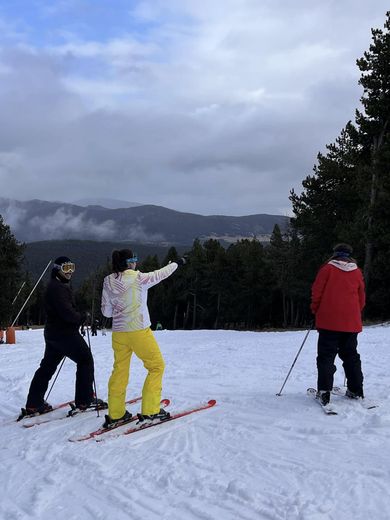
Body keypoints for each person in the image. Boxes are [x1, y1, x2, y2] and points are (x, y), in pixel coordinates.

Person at [101, 249, 186, 428]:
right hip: (138, 330)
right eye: (133, 259)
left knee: (119, 371)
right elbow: (161, 274)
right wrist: (177, 263)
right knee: (156, 367)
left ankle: (116, 414)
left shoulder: (108, 281)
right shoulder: (139, 278)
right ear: (127, 262)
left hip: (118, 333)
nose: (136, 262)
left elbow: (106, 312)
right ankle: (150, 411)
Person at [20, 256, 106, 418]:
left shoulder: (56, 286)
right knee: (85, 360)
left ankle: (34, 403)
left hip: (53, 333)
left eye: (72, 268)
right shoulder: (57, 288)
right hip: (65, 333)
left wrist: (77, 315)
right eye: (66, 268)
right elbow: (66, 313)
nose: (70, 272)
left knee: (47, 367)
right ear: (57, 269)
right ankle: (85, 399)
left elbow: (64, 309)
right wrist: (82, 317)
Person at [311, 243, 366, 406]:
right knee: (351, 356)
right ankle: (356, 390)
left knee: (326, 356)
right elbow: (361, 297)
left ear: (335, 254)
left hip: (329, 321)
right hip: (351, 322)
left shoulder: (327, 269)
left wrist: (315, 310)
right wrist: (354, 312)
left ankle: (324, 391)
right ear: (349, 256)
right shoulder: (356, 271)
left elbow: (317, 292)